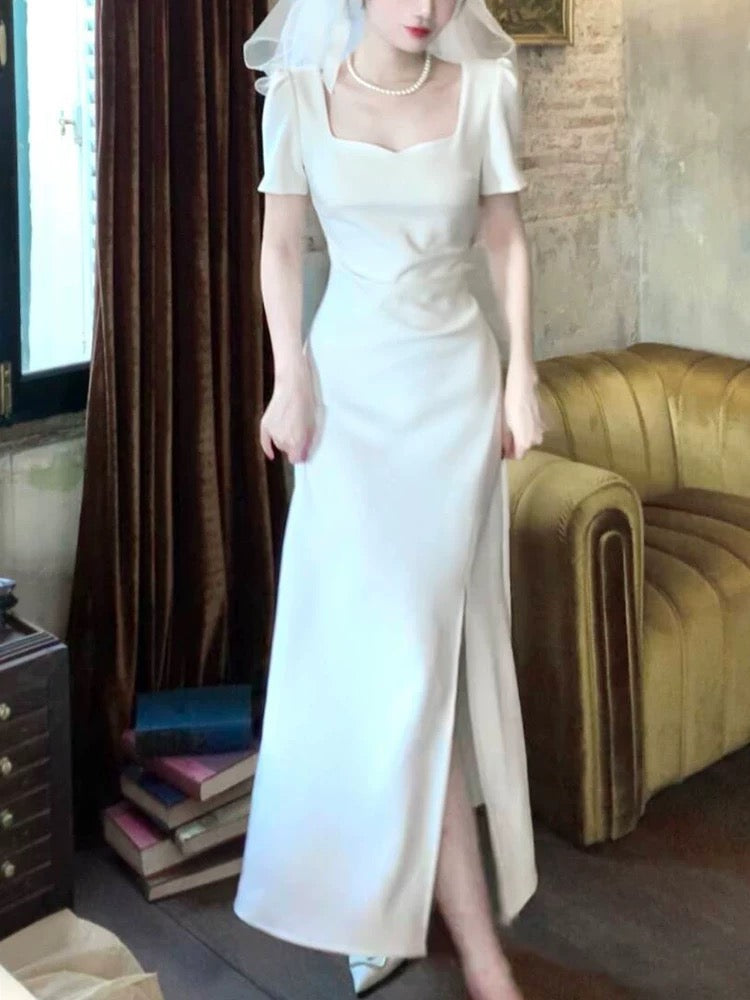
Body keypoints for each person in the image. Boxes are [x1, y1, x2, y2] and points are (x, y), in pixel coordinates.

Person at [233, 1, 547, 997]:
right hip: (348, 408)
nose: (427, 8)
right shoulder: (296, 95)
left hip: (452, 399)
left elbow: (506, 240)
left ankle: (462, 944)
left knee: (418, 664)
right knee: (387, 668)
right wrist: (290, 374)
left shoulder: (486, 90)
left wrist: (523, 373)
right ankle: (407, 913)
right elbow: (280, 245)